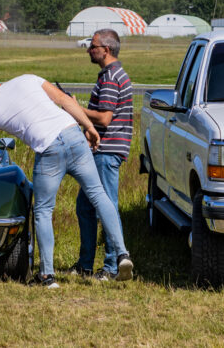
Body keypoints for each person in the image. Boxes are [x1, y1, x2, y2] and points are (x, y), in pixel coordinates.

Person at [0, 69, 134, 288]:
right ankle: (122, 254)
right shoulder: (28, 79)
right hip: (73, 133)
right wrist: (90, 127)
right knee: (99, 195)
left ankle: (47, 276)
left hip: (49, 149)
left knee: (43, 211)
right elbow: (65, 100)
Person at [68, 29, 133, 281]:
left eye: (92, 46)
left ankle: (112, 266)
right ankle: (85, 264)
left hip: (106, 153)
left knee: (107, 208)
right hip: (101, 150)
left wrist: (75, 108)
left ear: (105, 49)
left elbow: (105, 117)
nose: (89, 49)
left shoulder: (111, 77)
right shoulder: (110, 74)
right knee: (84, 207)